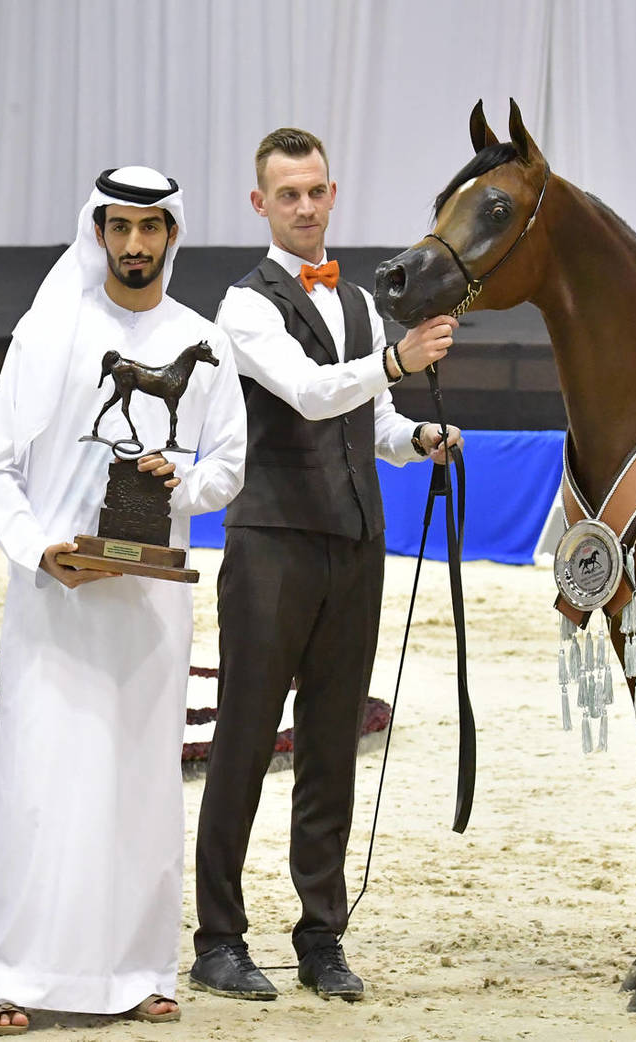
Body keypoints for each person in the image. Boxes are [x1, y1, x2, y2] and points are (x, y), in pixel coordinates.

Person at [0, 166, 245, 1034]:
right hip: (56, 601)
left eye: (149, 229)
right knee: (40, 788)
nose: (134, 244)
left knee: (141, 789)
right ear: (98, 233)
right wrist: (36, 550)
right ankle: (9, 975)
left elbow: (229, 469)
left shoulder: (204, 340)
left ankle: (140, 970)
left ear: (172, 236)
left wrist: (184, 479)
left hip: (150, 606)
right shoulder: (46, 332)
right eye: (119, 227)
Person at [190, 128, 462, 1002]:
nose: (304, 207)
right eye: (287, 195)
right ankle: (219, 937)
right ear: (260, 204)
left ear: (332, 194)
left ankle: (320, 935)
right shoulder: (245, 305)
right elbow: (309, 395)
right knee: (243, 738)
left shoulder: (359, 304)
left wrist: (416, 437)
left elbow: (368, 421)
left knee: (332, 746)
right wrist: (393, 360)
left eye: (315, 192)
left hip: (355, 543)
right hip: (270, 543)